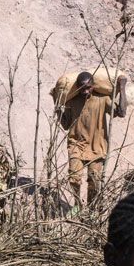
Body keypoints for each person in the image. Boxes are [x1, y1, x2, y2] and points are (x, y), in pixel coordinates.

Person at [57, 72, 112, 207]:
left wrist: (121, 88)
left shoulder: (103, 99)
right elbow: (65, 125)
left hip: (97, 146)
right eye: (82, 88)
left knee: (94, 181)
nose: (86, 91)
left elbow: (121, 112)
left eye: (89, 87)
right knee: (74, 178)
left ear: (94, 85)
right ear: (77, 88)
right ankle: (77, 205)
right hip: (76, 144)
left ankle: (92, 209)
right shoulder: (72, 101)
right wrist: (58, 109)